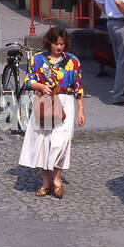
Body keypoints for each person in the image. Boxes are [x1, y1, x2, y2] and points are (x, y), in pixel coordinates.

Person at [18, 26, 86, 197]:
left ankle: (57, 178)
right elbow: (28, 81)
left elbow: (78, 87)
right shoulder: (38, 59)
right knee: (44, 142)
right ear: (49, 43)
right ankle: (45, 183)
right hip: (45, 102)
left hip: (66, 103)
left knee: (60, 142)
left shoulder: (73, 61)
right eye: (56, 44)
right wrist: (41, 86)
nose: (59, 47)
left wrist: (81, 110)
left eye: (62, 44)